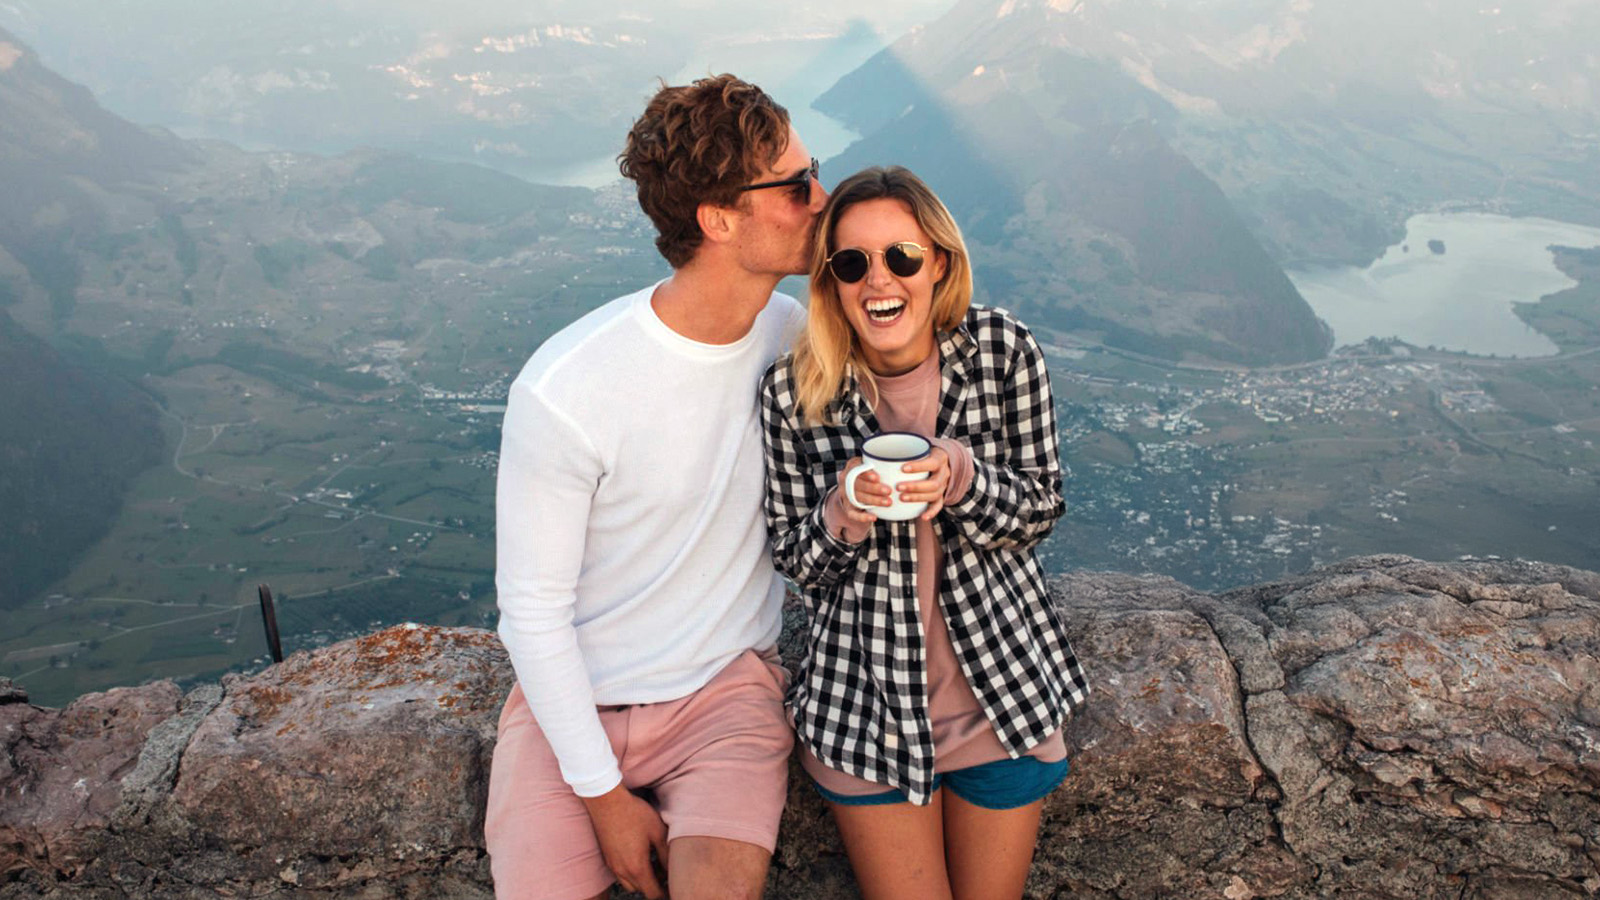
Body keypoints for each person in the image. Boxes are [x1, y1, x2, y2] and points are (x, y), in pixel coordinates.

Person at [485, 74, 827, 900]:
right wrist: (602, 796)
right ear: (718, 219)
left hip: (726, 697)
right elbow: (531, 613)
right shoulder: (569, 388)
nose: (823, 198)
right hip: (574, 702)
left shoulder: (796, 341)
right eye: (795, 186)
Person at [758, 166, 1090, 900]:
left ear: (938, 262)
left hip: (1002, 695)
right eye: (852, 263)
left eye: (902, 256)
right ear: (831, 282)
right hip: (865, 712)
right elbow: (796, 559)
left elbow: (1041, 509)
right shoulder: (793, 391)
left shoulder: (1004, 353)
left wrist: (964, 478)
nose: (880, 280)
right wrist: (845, 509)